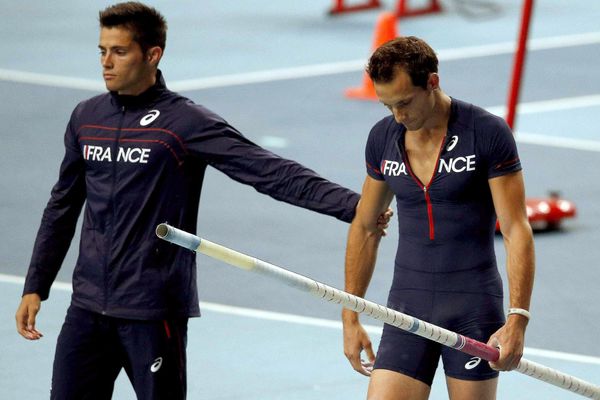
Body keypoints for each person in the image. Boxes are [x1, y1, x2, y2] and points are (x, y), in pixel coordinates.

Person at [14, 3, 391, 399]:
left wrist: (353, 206)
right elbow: (62, 206)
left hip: (152, 311)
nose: (106, 62)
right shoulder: (86, 117)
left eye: (119, 51)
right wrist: (35, 285)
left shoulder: (183, 123)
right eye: (102, 51)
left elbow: (268, 171)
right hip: (87, 309)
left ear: (153, 54)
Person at [341, 36, 535, 400]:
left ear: (432, 82)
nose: (398, 116)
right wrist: (350, 316)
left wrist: (518, 318)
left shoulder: (486, 132)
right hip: (407, 307)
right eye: (387, 106)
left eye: (404, 103)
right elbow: (366, 226)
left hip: (473, 307)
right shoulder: (383, 138)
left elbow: (515, 228)